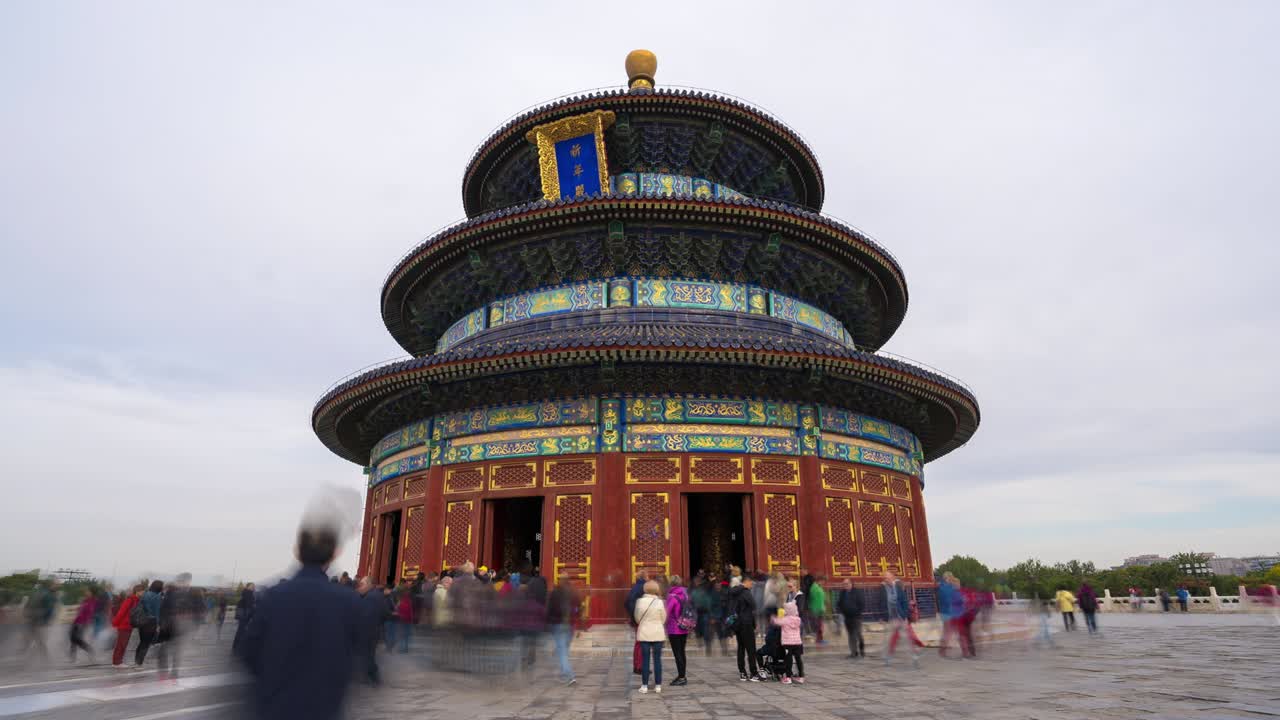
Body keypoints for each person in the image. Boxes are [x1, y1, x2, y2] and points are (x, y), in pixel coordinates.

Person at [237, 523, 364, 720]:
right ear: (334, 554)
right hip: (324, 707)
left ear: (297, 552)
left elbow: (248, 649)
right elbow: (356, 653)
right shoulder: (350, 601)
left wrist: (272, 676)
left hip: (274, 706)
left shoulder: (273, 596)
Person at [156, 573, 195, 679]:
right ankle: (164, 673)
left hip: (181, 628)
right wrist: (161, 624)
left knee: (177, 651)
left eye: (187, 581)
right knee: (164, 650)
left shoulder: (192, 594)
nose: (185, 583)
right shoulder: (171, 593)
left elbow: (197, 610)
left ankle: (174, 672)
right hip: (168, 627)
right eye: (183, 581)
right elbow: (163, 609)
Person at [633, 579, 667, 695]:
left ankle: (645, 686)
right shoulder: (660, 602)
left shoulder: (639, 602)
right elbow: (663, 618)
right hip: (657, 632)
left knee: (645, 660)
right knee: (657, 660)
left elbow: (637, 618)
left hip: (644, 632)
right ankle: (658, 686)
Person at [881, 570, 921, 667]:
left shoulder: (898, 588)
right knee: (891, 639)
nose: (887, 579)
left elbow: (904, 602)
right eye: (885, 578)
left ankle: (914, 656)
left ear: (892, 578)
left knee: (907, 638)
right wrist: (883, 617)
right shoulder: (884, 589)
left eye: (888, 577)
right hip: (892, 618)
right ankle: (888, 657)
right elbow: (882, 603)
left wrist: (905, 616)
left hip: (901, 617)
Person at [728, 574, 763, 681]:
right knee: (751, 649)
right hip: (746, 623)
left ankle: (742, 672)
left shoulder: (734, 592)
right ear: (746, 582)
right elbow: (753, 605)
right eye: (751, 583)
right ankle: (753, 673)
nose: (752, 585)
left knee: (741, 648)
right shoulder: (745, 592)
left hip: (737, 623)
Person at [547, 573, 579, 685]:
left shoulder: (555, 592)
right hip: (570, 625)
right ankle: (562, 672)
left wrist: (548, 622)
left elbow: (550, 608)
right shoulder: (573, 592)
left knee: (562, 652)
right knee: (563, 650)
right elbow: (578, 607)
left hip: (558, 624)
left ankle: (569, 675)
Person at [356, 577, 384, 685]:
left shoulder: (370, 597)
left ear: (369, 585)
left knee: (367, 655)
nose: (360, 587)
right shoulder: (377, 595)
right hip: (375, 629)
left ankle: (373, 678)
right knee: (369, 655)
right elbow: (385, 612)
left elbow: (365, 616)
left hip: (368, 631)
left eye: (362, 584)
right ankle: (371, 677)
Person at [664, 575, 691, 686]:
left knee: (677, 653)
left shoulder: (671, 596)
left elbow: (667, 612)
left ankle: (681, 677)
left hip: (674, 629)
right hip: (684, 626)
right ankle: (682, 675)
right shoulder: (685, 594)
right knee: (682, 652)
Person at [111, 584, 144, 669]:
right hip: (124, 625)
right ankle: (117, 662)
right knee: (121, 644)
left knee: (123, 644)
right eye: (142, 591)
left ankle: (118, 661)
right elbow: (121, 612)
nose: (143, 592)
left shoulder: (136, 600)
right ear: (137, 591)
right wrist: (115, 623)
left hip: (129, 625)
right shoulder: (130, 600)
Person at [772, 600, 805, 684]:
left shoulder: (785, 620)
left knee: (788, 660)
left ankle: (788, 677)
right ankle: (801, 676)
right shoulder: (798, 619)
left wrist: (773, 618)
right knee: (798, 659)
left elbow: (776, 622)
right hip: (797, 643)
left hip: (788, 644)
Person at [135, 580, 164, 666]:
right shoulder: (157, 596)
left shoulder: (145, 594)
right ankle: (139, 663)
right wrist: (158, 624)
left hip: (142, 621)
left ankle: (137, 660)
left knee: (142, 642)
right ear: (159, 587)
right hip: (151, 621)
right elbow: (157, 611)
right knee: (146, 643)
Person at [836, 578, 865, 658]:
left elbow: (862, 603)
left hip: (856, 617)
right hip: (847, 617)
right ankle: (854, 652)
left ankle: (861, 648)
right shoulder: (842, 593)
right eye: (844, 584)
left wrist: (858, 612)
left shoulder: (857, 592)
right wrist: (840, 611)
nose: (845, 585)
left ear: (851, 584)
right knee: (851, 635)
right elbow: (839, 603)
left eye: (847, 584)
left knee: (858, 634)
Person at [624, 572, 647, 675]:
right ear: (644, 577)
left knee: (638, 643)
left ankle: (637, 665)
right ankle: (640, 667)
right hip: (642, 619)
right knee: (642, 643)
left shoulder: (635, 587)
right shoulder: (643, 587)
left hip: (637, 618)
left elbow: (626, 602)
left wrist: (632, 616)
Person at [937, 572, 962, 658]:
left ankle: (942, 650)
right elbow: (951, 601)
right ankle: (942, 651)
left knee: (946, 632)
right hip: (949, 612)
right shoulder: (949, 588)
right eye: (950, 578)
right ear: (948, 578)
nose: (951, 579)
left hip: (943, 612)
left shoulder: (941, 587)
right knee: (949, 632)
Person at [69, 588, 96, 662]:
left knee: (78, 639)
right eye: (86, 592)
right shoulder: (84, 601)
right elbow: (80, 610)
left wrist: (86, 622)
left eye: (88, 592)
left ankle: (90, 650)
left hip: (82, 623)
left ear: (92, 593)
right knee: (72, 638)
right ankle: (72, 657)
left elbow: (90, 613)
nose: (86, 593)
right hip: (76, 621)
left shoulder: (92, 601)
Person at [232, 583, 256, 653]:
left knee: (241, 630)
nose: (253, 587)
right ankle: (237, 646)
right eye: (251, 586)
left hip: (244, 614)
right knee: (242, 630)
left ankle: (236, 646)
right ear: (247, 587)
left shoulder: (248, 593)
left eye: (253, 586)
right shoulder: (248, 593)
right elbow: (249, 604)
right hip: (245, 615)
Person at [808, 575, 828, 644]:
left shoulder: (817, 587)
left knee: (819, 626)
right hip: (817, 610)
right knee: (819, 626)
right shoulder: (815, 588)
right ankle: (819, 640)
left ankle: (820, 639)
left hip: (818, 609)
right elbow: (816, 600)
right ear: (820, 580)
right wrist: (821, 608)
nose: (823, 583)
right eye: (823, 581)